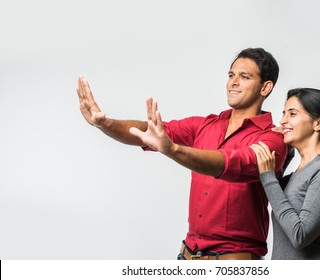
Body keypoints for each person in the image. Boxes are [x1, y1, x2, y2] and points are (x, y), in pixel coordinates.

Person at [76, 48, 288, 260]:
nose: (233, 82)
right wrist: (105, 123)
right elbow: (146, 131)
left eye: (244, 77)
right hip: (187, 255)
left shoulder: (273, 140)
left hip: (234, 260)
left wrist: (173, 150)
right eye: (231, 75)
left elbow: (232, 163)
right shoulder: (204, 125)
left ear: (265, 87)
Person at [250, 88, 320, 260]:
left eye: (292, 114)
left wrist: (268, 174)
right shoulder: (302, 172)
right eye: (284, 113)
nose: (282, 120)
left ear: (318, 123)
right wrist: (285, 154)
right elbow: (273, 197)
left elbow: (299, 235)